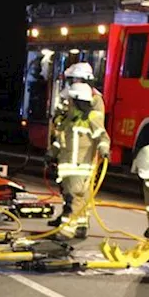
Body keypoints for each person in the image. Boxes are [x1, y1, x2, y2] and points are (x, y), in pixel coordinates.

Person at [46, 62, 107, 240]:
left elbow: (98, 130)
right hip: (69, 152)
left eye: (74, 79)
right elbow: (64, 120)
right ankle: (77, 222)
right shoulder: (76, 101)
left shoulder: (94, 101)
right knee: (73, 191)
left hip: (82, 155)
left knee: (78, 192)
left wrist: (103, 148)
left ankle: (72, 225)